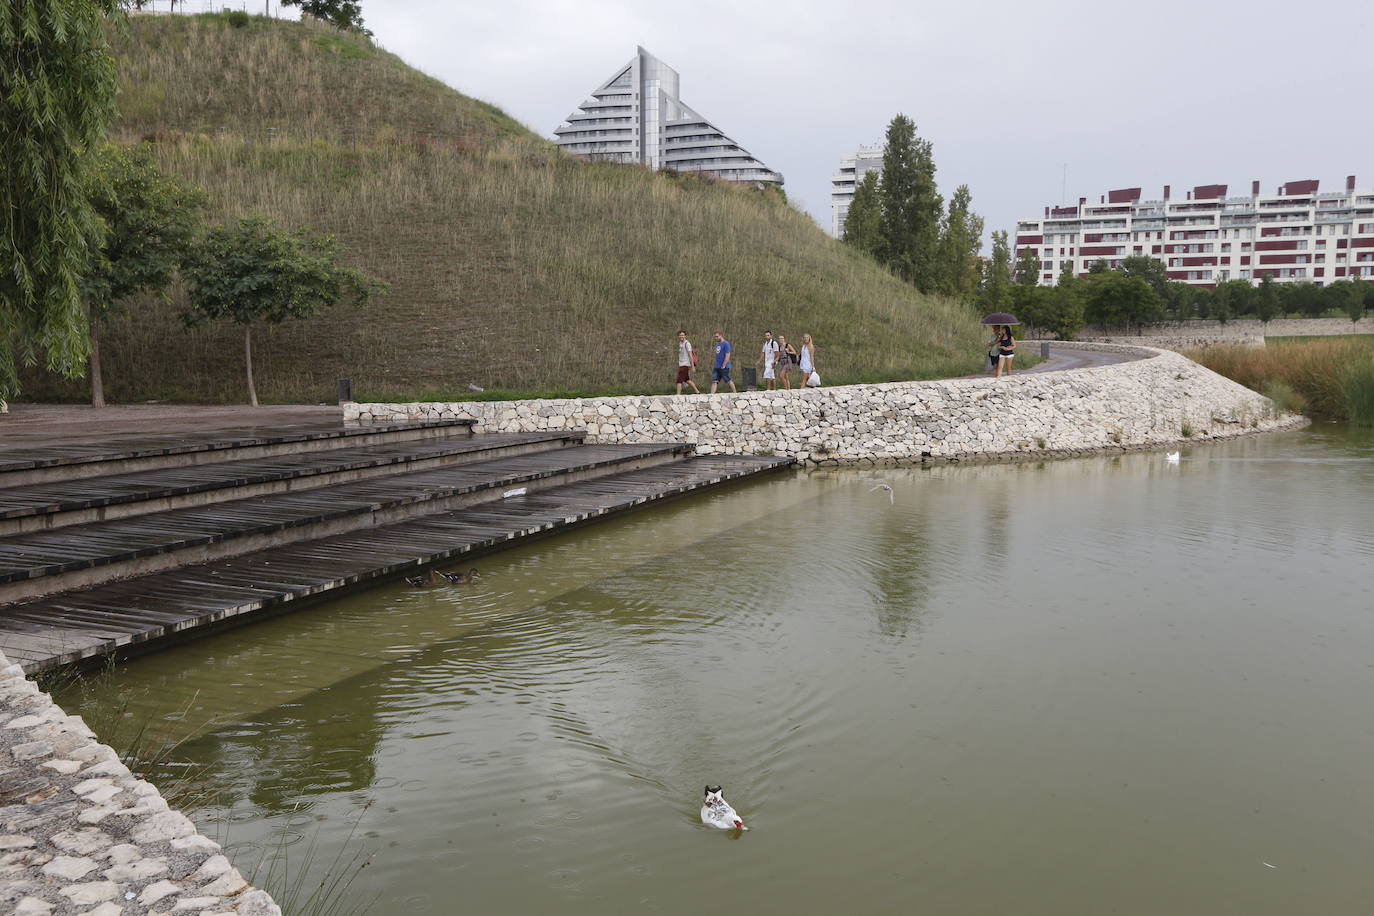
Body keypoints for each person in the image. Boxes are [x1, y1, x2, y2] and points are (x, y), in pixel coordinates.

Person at [675, 330, 700, 395]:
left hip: (685, 364)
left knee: (679, 380)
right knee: (687, 380)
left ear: (685, 336)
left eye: (683, 335)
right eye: (680, 335)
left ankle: (678, 395)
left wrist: (693, 366)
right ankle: (697, 391)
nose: (681, 336)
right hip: (681, 364)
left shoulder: (687, 344)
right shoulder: (680, 343)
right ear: (678, 336)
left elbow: (690, 355)